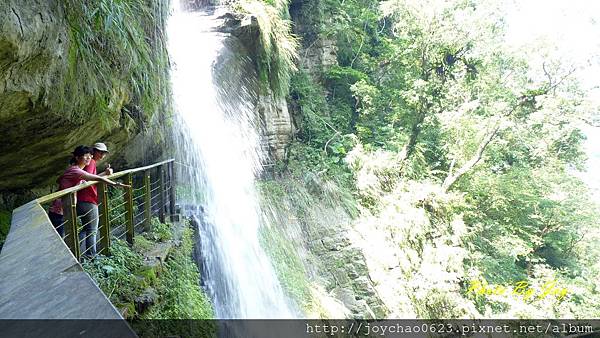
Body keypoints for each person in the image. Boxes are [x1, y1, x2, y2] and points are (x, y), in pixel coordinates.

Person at [48, 146, 128, 254]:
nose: (89, 158)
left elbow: (63, 179)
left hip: (64, 209)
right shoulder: (76, 171)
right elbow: (95, 178)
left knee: (64, 237)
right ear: (77, 157)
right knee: (60, 240)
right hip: (60, 210)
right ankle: (82, 257)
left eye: (90, 156)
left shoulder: (76, 170)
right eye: (86, 156)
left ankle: (71, 256)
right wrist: (115, 184)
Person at [76, 142, 114, 257]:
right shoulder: (91, 162)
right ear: (94, 151)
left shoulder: (90, 163)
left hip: (81, 199)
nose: (102, 155)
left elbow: (89, 179)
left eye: (104, 153)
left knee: (86, 228)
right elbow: (88, 180)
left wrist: (104, 173)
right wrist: (105, 174)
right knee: (92, 230)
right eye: (100, 152)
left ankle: (72, 248)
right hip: (88, 200)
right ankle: (92, 256)